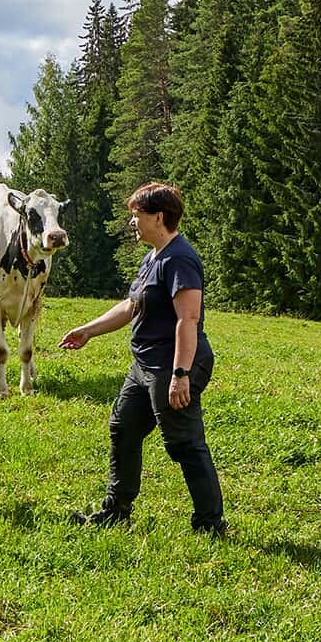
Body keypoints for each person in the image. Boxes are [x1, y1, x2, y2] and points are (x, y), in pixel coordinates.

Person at [59, 182, 226, 534]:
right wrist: (89, 330)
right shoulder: (153, 257)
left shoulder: (179, 258)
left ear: (159, 217)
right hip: (145, 365)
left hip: (173, 364)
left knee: (184, 444)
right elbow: (132, 305)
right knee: (124, 429)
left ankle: (210, 524)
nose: (132, 223)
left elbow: (188, 319)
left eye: (137, 216)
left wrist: (181, 374)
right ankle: (116, 511)